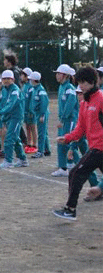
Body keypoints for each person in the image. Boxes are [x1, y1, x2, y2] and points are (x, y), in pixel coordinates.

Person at [53, 67, 103, 220]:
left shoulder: (101, 98)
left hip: (100, 147)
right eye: (79, 82)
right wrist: (67, 138)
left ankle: (70, 209)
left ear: (93, 82)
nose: (81, 86)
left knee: (75, 173)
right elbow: (80, 128)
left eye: (84, 83)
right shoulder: (84, 104)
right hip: (95, 146)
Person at [66, 85, 99, 197]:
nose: (78, 95)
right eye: (77, 93)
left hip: (94, 143)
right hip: (89, 141)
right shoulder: (83, 105)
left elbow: (81, 132)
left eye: (80, 93)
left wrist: (71, 148)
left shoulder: (90, 104)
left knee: (81, 167)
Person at [0, 70, 28, 168]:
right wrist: (3, 118)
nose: (6, 80)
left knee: (9, 138)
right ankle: (23, 159)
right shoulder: (4, 90)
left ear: (13, 79)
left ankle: (8, 161)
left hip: (16, 117)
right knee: (15, 139)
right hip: (8, 117)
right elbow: (2, 104)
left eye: (9, 78)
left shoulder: (15, 90)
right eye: (4, 79)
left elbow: (11, 104)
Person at [51, 64, 79, 177]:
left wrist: (62, 119)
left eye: (59, 73)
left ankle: (80, 165)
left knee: (69, 144)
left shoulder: (70, 89)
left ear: (65, 75)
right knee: (61, 143)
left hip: (70, 120)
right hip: (64, 120)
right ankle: (64, 167)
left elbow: (70, 106)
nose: (57, 75)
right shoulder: (62, 87)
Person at [28, 72, 50, 159]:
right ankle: (46, 149)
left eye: (30, 79)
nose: (29, 81)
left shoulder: (40, 90)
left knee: (41, 132)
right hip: (37, 113)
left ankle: (40, 151)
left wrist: (42, 115)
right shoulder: (35, 89)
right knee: (44, 132)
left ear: (34, 80)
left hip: (41, 114)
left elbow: (44, 103)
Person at [20, 67, 37, 154]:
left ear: (27, 76)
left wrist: (31, 111)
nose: (21, 76)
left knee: (33, 127)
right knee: (27, 127)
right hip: (25, 110)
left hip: (31, 111)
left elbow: (32, 100)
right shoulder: (25, 86)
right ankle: (28, 144)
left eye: (23, 75)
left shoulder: (31, 86)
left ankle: (34, 145)